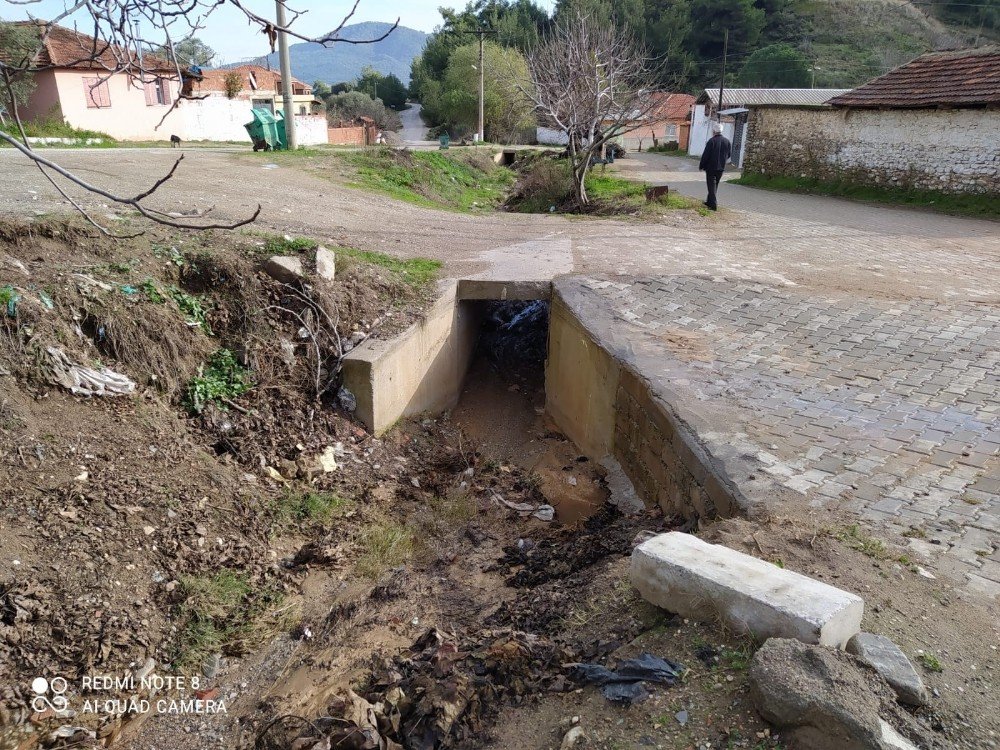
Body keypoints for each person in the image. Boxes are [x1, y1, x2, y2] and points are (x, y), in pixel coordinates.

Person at [699, 122, 732, 211]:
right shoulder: (727, 141)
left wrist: (701, 165)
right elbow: (728, 155)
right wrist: (722, 160)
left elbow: (706, 155)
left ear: (714, 131)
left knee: (711, 185)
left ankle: (713, 205)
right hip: (721, 168)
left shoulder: (711, 141)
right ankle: (709, 201)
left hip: (711, 168)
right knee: (714, 185)